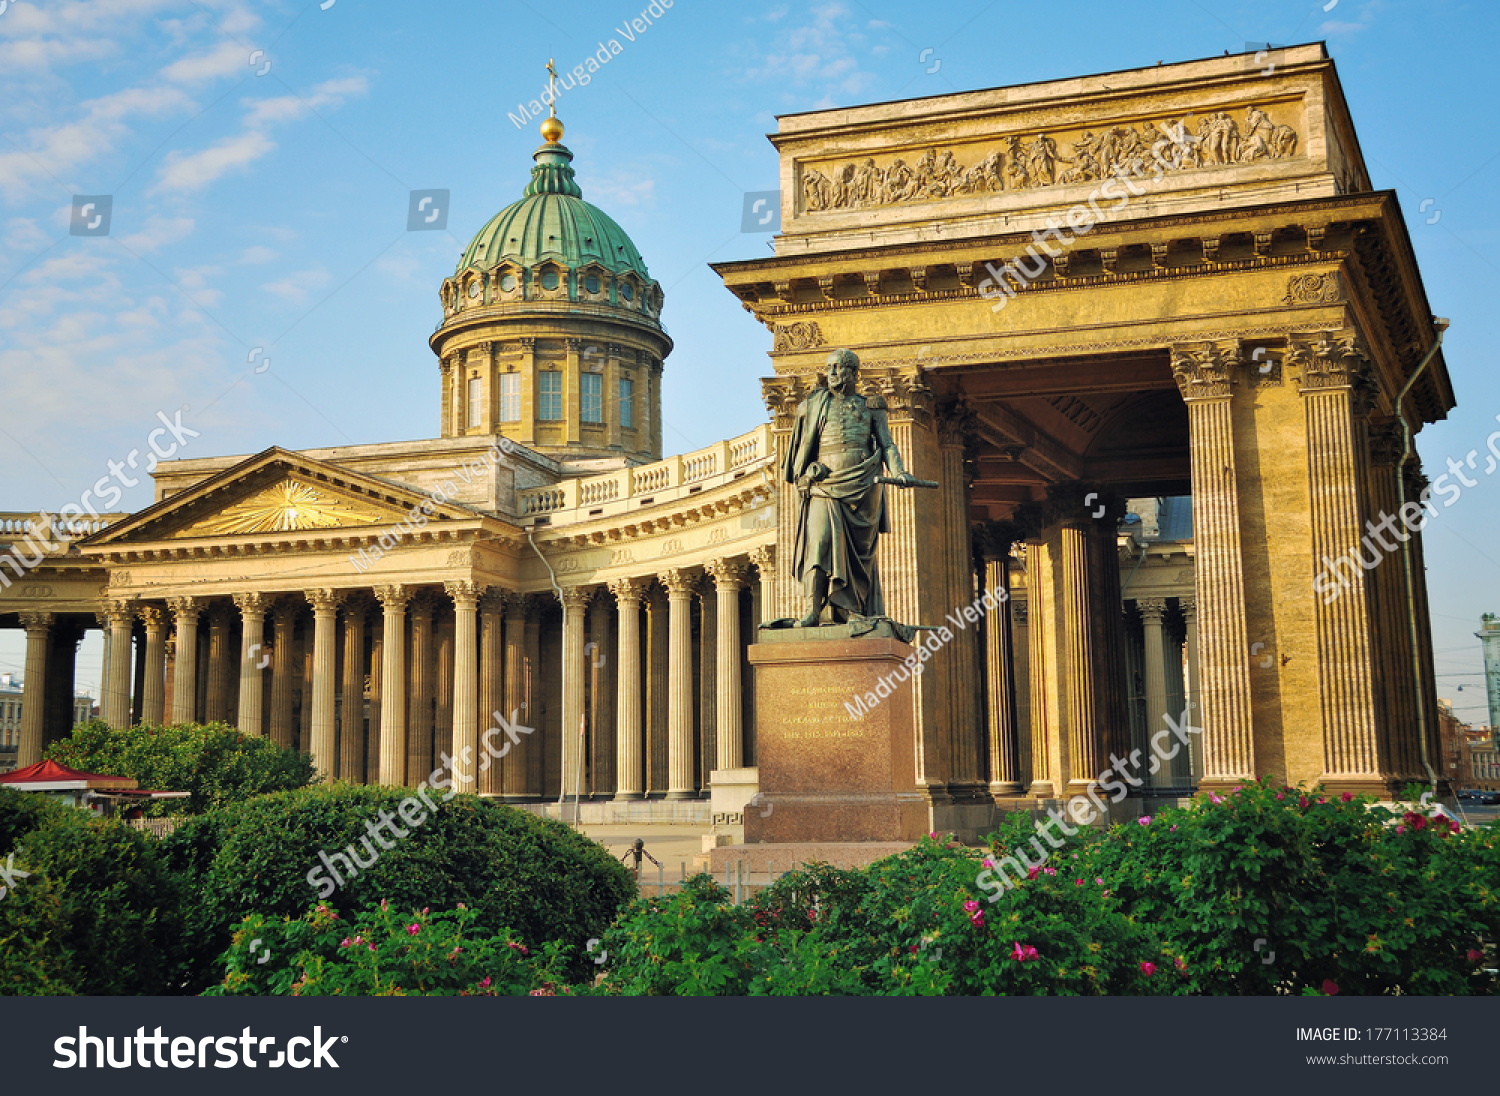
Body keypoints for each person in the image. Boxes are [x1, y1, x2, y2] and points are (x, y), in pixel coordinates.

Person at [783, 349, 916, 626]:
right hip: (824, 485)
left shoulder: (871, 406)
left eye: (839, 367)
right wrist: (808, 470)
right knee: (818, 543)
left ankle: (852, 607)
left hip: (863, 486)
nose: (832, 373)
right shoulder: (812, 404)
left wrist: (900, 471)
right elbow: (797, 456)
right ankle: (811, 608)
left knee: (858, 554)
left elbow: (886, 444)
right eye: (830, 367)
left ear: (855, 373)